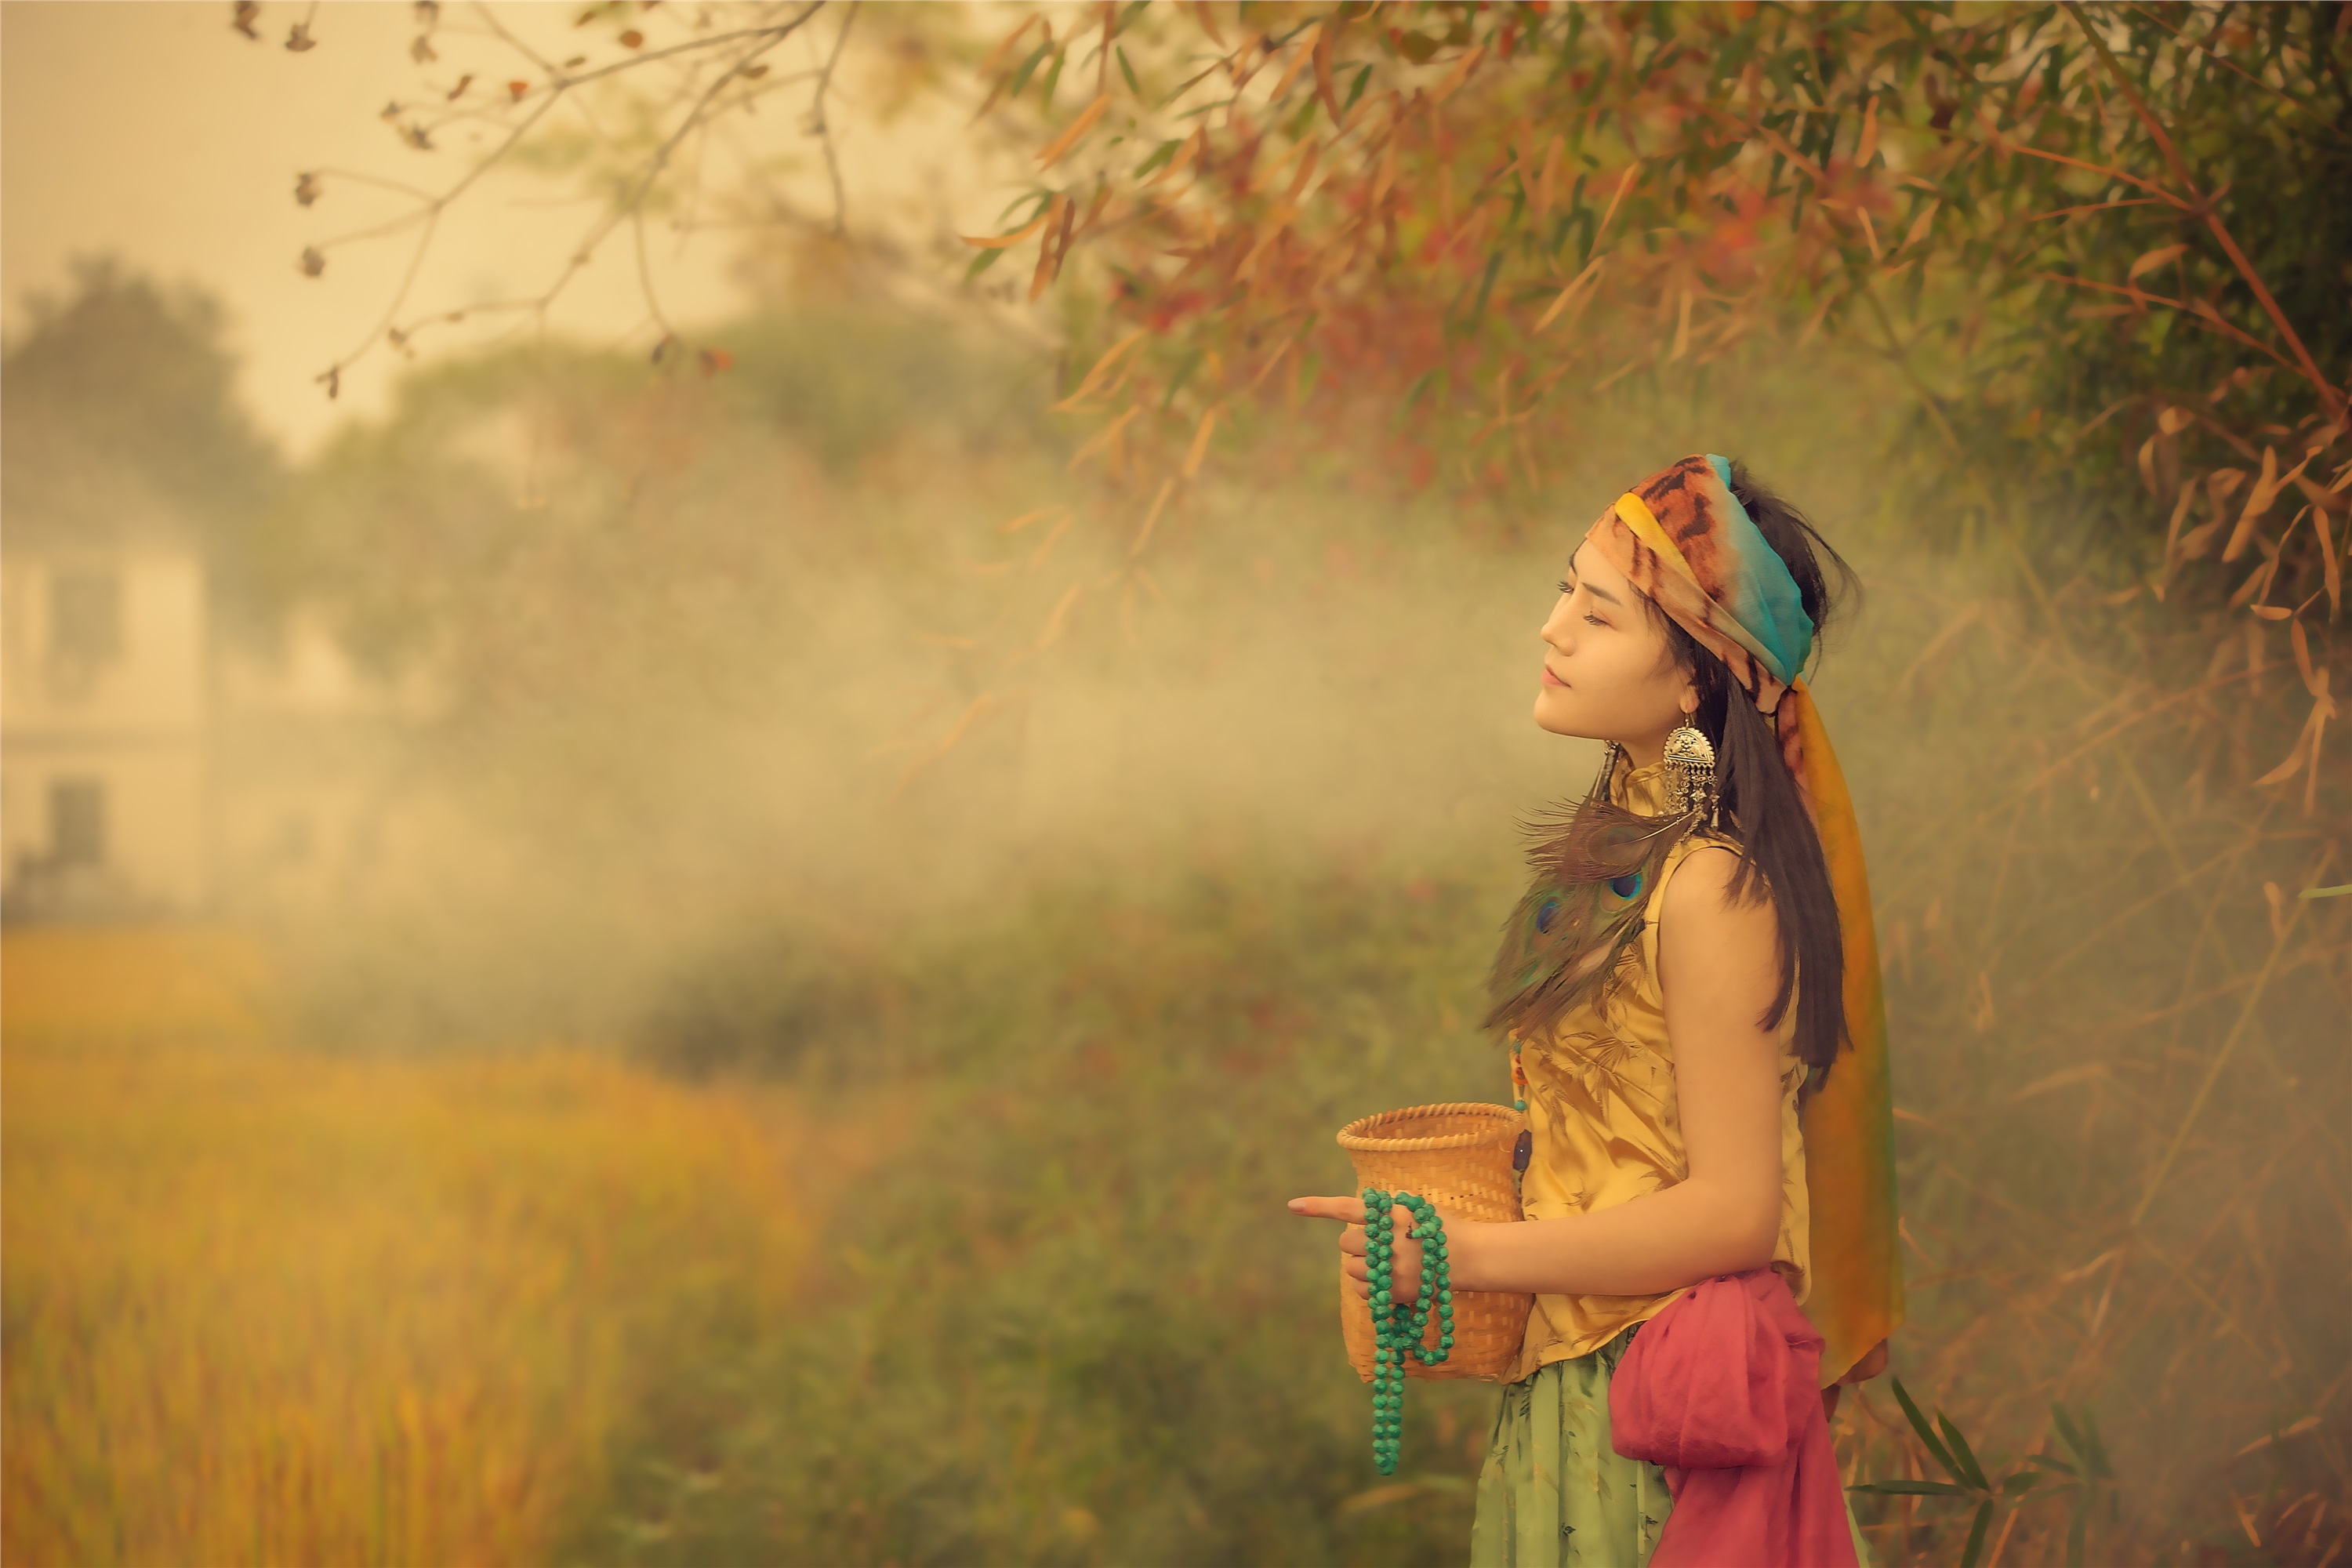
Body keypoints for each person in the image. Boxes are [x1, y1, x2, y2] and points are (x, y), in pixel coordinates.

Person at [1290, 455, 1902, 1566]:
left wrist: (1464, 1254)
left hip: (1660, 1419)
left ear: (1692, 682)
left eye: (1597, 611)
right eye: (1565, 591)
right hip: (1581, 1389)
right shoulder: (1632, 852)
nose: (1551, 631)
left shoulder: (1712, 888)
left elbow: (1733, 1216)